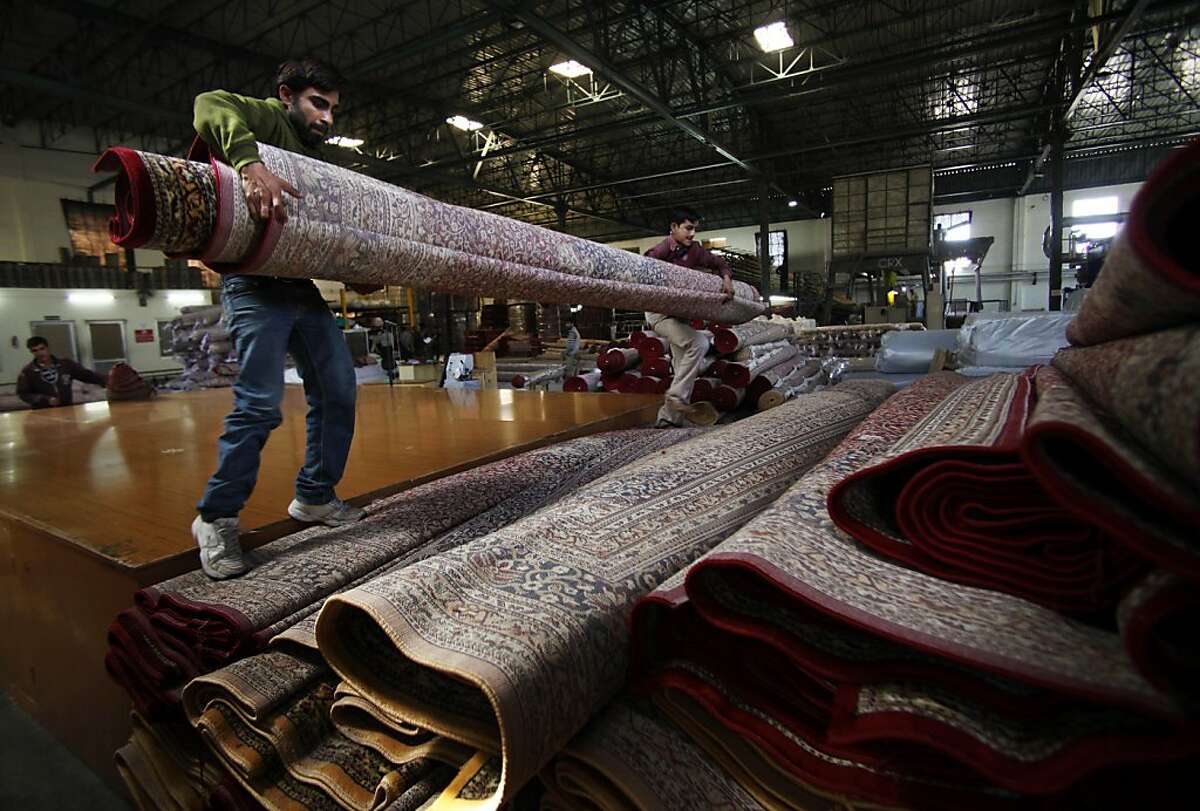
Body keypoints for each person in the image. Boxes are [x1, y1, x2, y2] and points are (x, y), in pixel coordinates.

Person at [190, 57, 378, 580]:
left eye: (333, 110)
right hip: (252, 286)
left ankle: (315, 496)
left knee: (339, 388)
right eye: (318, 104)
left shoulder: (313, 161)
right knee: (258, 405)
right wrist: (249, 166)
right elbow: (209, 105)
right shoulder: (267, 121)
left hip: (301, 288)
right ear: (287, 95)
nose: (327, 119)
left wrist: (358, 271)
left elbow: (315, 236)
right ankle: (216, 517)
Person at [643, 207, 734, 427]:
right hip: (660, 314)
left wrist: (727, 278)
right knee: (699, 343)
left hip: (680, 316)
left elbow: (719, 263)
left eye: (695, 229)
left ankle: (667, 420)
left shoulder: (694, 250)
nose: (692, 234)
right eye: (688, 228)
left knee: (684, 366)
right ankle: (674, 396)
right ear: (673, 227)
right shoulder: (661, 249)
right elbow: (643, 267)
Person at [16, 336, 108, 409]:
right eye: (35, 350)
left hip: (67, 409)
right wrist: (45, 400)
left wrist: (108, 380)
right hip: (43, 412)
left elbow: (87, 375)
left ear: (47, 348)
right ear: (31, 352)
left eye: (42, 348)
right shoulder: (28, 371)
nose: (40, 353)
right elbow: (23, 394)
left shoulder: (66, 365)